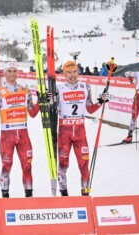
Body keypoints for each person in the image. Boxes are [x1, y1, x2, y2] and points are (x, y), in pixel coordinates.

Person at [52, 60, 109, 197]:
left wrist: (101, 101)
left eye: (74, 72)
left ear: (78, 72)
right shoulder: (58, 89)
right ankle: (64, 193)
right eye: (69, 72)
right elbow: (51, 109)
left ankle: (85, 193)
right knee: (63, 165)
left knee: (84, 164)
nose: (72, 75)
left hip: (80, 132)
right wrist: (49, 99)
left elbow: (90, 109)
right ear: (64, 74)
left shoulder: (85, 87)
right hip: (64, 132)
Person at [0, 62, 39, 198]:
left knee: (27, 166)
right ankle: (5, 196)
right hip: (7, 137)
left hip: (23, 136)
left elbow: (32, 113)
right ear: (5, 73)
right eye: (10, 71)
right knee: (6, 166)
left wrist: (41, 102)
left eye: (15, 71)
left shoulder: (25, 91)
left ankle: (29, 195)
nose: (12, 74)